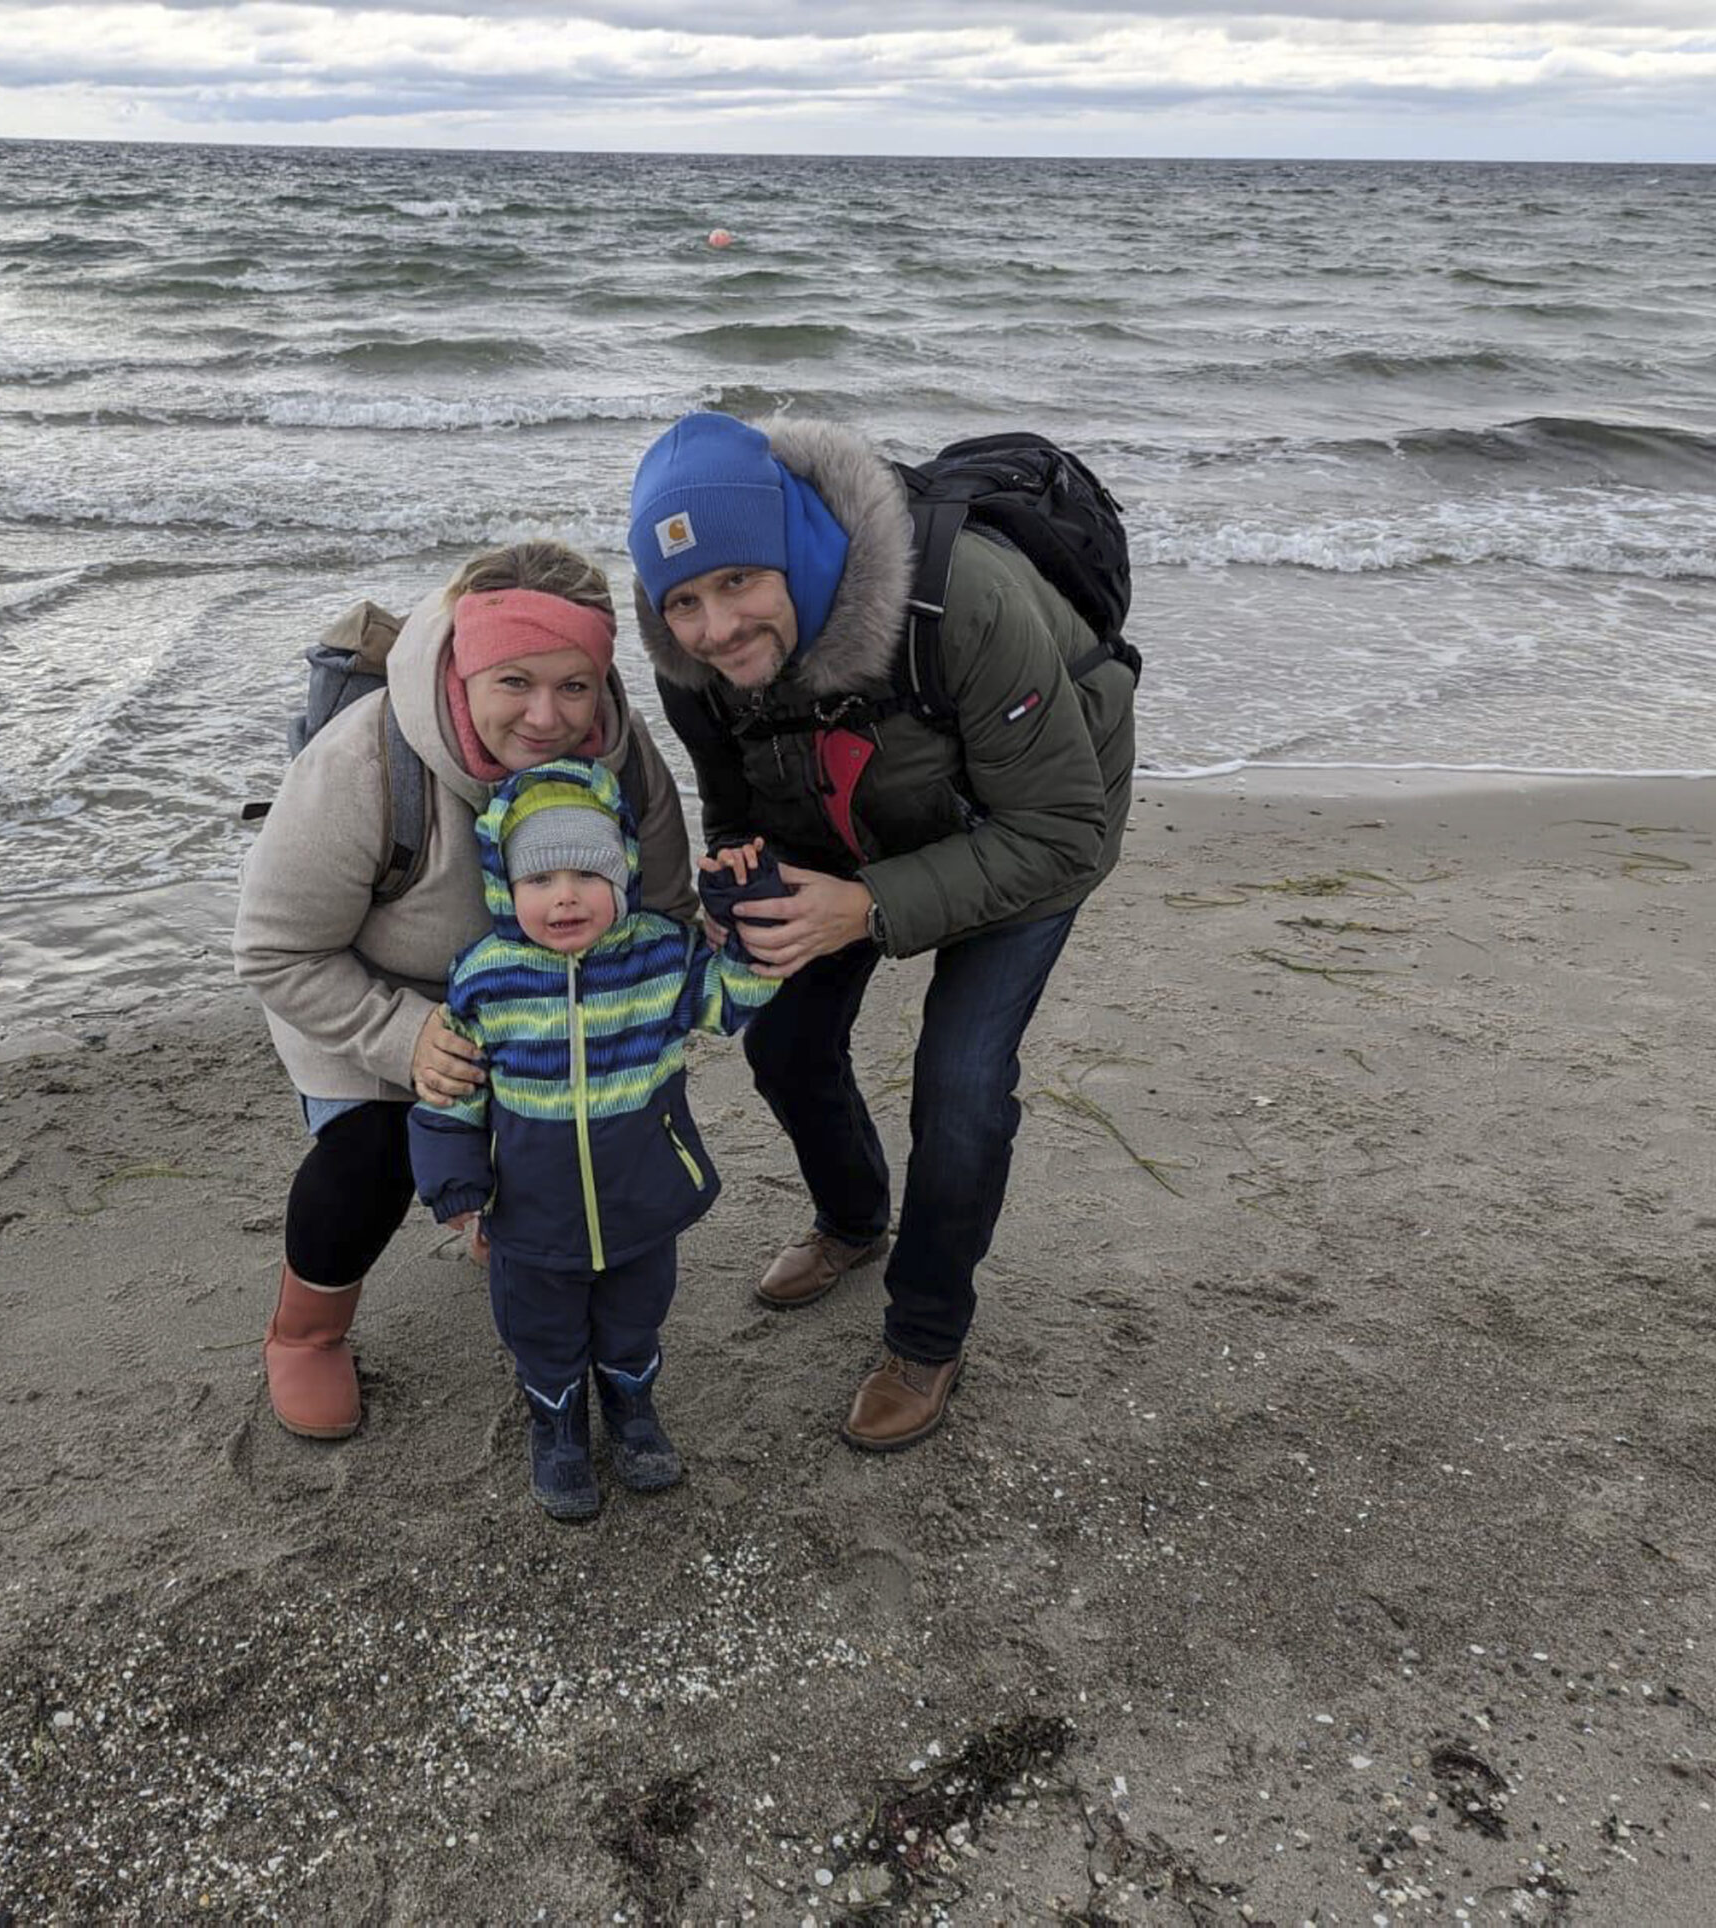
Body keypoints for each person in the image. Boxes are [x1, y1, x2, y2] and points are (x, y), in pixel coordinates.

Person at [624, 411, 1136, 1452]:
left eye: (738, 582)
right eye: (682, 600)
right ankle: (853, 1220)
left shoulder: (965, 599)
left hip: (1028, 821)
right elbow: (735, 807)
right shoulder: (695, 673)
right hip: (845, 822)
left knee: (958, 1084)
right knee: (781, 1036)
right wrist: (744, 877)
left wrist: (865, 907)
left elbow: (1062, 830)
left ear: (798, 550)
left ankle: (927, 1329)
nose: (716, 629)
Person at [233, 542, 696, 1442]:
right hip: (368, 994)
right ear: (463, 665)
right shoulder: (365, 763)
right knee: (373, 1154)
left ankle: (518, 1236)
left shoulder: (625, 762)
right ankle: (307, 1332)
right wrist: (402, 1036)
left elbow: (667, 911)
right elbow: (275, 948)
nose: (547, 716)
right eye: (514, 681)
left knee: (579, 1131)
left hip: (550, 1002)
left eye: (575, 686)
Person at [408, 758, 777, 1520]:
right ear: (506, 889)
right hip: (531, 1217)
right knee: (541, 1331)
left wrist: (746, 916)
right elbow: (455, 1091)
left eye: (588, 872)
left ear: (626, 872)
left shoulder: (661, 957)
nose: (565, 894)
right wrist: (458, 1189)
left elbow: (732, 1001)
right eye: (540, 879)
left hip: (642, 1202)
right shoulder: (485, 978)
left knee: (635, 1317)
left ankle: (632, 1407)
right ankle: (558, 1427)